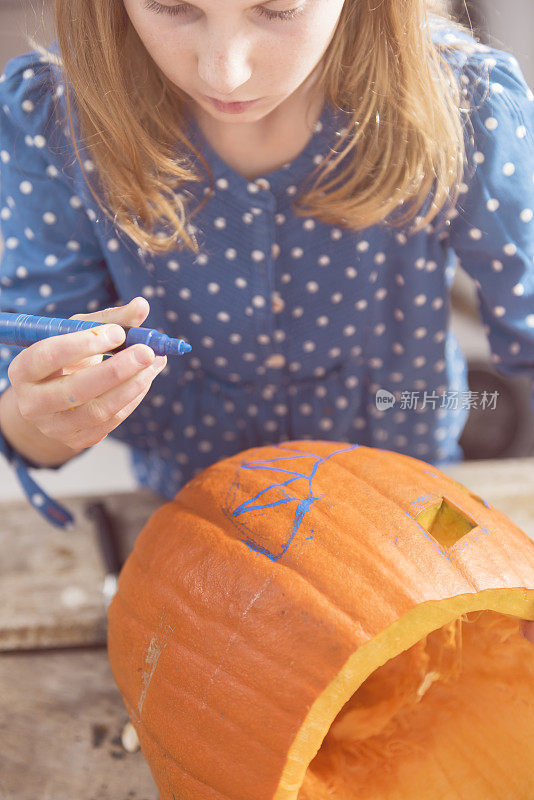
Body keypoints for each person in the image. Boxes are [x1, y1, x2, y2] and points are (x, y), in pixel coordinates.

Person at [0, 1, 533, 642]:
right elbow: (31, 417)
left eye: (279, 9)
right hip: (192, 517)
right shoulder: (52, 123)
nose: (226, 73)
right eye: (172, 6)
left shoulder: (465, 103)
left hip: (418, 499)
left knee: (485, 621)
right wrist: (43, 418)